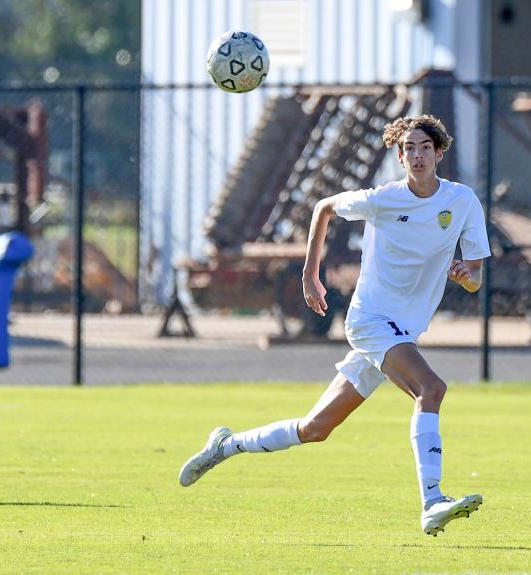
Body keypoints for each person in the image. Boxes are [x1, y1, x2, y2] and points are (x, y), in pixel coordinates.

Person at [179, 114, 491, 537]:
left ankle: (224, 445)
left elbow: (474, 278)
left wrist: (464, 275)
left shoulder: (463, 201)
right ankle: (432, 501)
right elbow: (324, 207)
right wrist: (310, 274)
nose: (416, 156)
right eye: (408, 149)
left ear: (439, 152)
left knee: (315, 429)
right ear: (399, 156)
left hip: (403, 330)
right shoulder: (383, 199)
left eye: (424, 147)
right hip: (370, 320)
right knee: (430, 389)